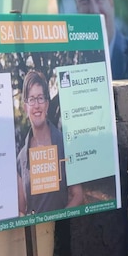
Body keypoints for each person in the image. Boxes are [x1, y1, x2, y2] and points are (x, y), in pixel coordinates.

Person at [16, 70, 83, 215]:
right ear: (25, 107)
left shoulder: (64, 144)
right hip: (35, 234)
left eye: (40, 98)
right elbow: (21, 210)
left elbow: (78, 195)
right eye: (31, 99)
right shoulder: (21, 158)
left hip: (61, 232)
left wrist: (58, 222)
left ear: (47, 104)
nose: (37, 105)